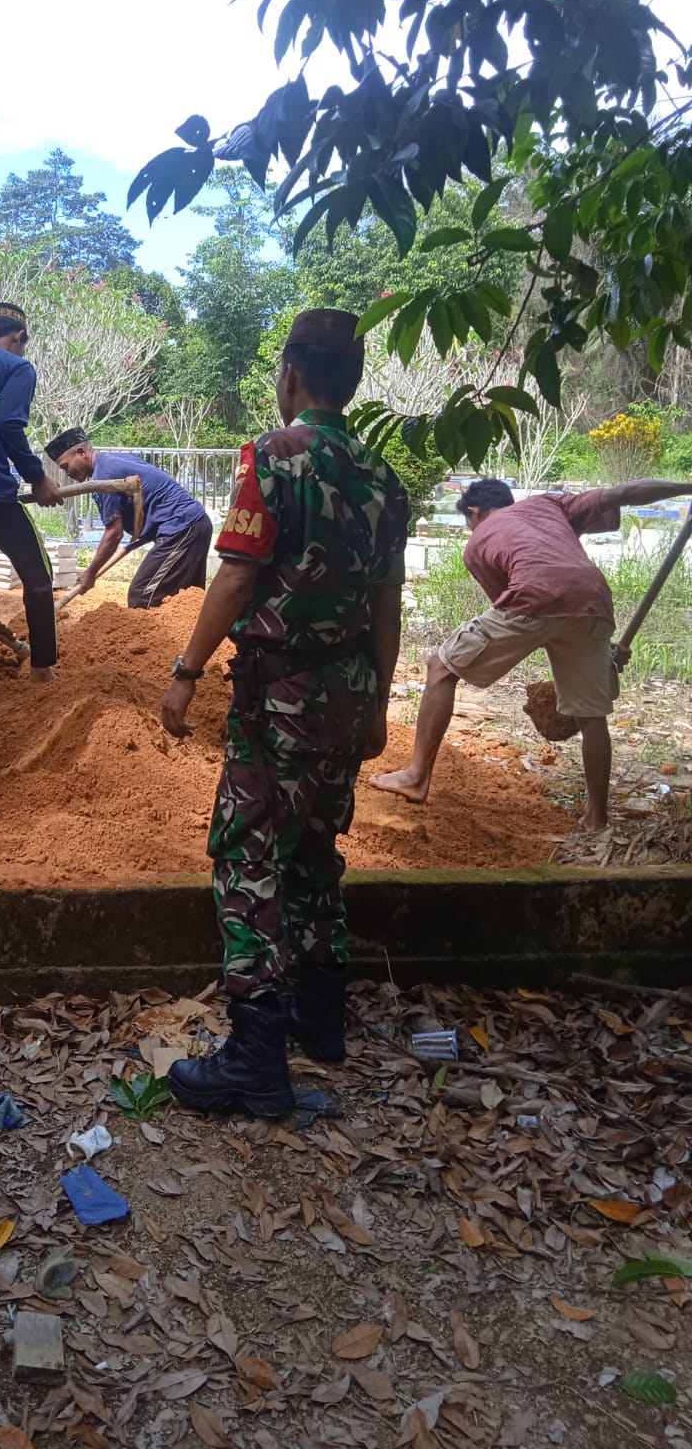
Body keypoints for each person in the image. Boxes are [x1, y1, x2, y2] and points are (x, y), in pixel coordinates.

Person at [158, 311, 409, 1117]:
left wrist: (185, 671)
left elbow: (233, 579)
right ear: (354, 381)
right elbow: (386, 602)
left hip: (280, 691)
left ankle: (257, 1055)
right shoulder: (381, 474)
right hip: (348, 689)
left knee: (244, 849)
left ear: (291, 377)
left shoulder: (273, 457)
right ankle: (321, 1017)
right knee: (313, 849)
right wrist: (378, 699)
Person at [372, 474, 692, 830]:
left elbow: (516, 611)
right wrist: (686, 489)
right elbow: (624, 491)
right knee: (591, 716)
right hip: (593, 601)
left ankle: (416, 777)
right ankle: (597, 817)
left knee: (441, 668)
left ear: (475, 512)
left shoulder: (477, 542)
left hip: (534, 597)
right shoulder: (549, 504)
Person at [0, 301, 62, 682]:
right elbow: (9, 424)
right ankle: (42, 667)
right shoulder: (17, 367)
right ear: (18, 337)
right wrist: (37, 477)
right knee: (38, 574)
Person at [45, 428, 213, 608]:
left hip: (182, 528)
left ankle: (151, 636)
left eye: (65, 466)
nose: (67, 473)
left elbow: (114, 533)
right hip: (193, 524)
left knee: (142, 596)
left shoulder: (104, 475)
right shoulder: (111, 462)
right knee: (187, 599)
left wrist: (90, 572)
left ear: (81, 453)